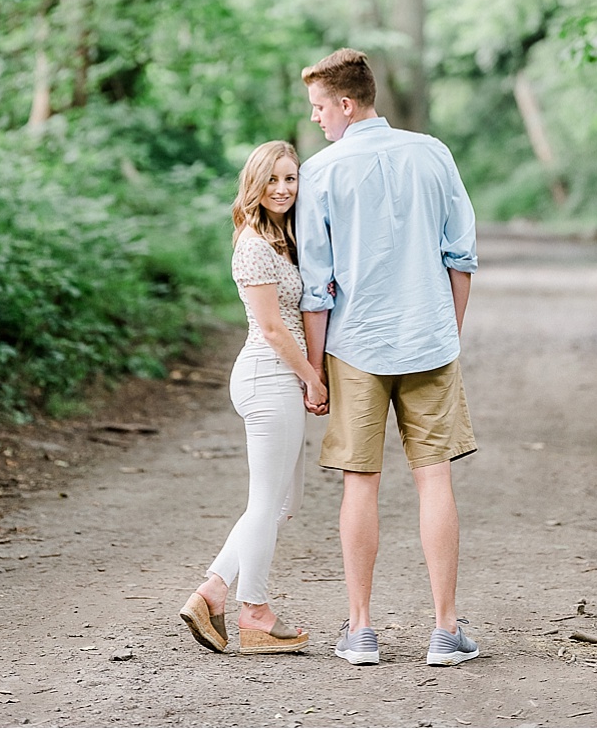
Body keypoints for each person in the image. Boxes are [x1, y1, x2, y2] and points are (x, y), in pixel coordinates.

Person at [296, 48, 480, 668]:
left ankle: (362, 629)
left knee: (361, 482)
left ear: (346, 104)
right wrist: (446, 333)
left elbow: (317, 286)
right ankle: (446, 631)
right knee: (435, 478)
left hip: (355, 346)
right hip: (430, 339)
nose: (318, 119)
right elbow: (460, 256)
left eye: (321, 108)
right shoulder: (433, 154)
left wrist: (314, 368)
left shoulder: (321, 172)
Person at [180, 140, 328, 656]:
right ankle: (256, 612)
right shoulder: (254, 245)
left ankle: (213, 591)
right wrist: (312, 377)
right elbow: (271, 328)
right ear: (255, 183)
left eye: (291, 179)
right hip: (270, 376)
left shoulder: (281, 239)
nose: (284, 189)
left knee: (285, 501)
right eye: (274, 180)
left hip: (278, 378)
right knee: (267, 502)